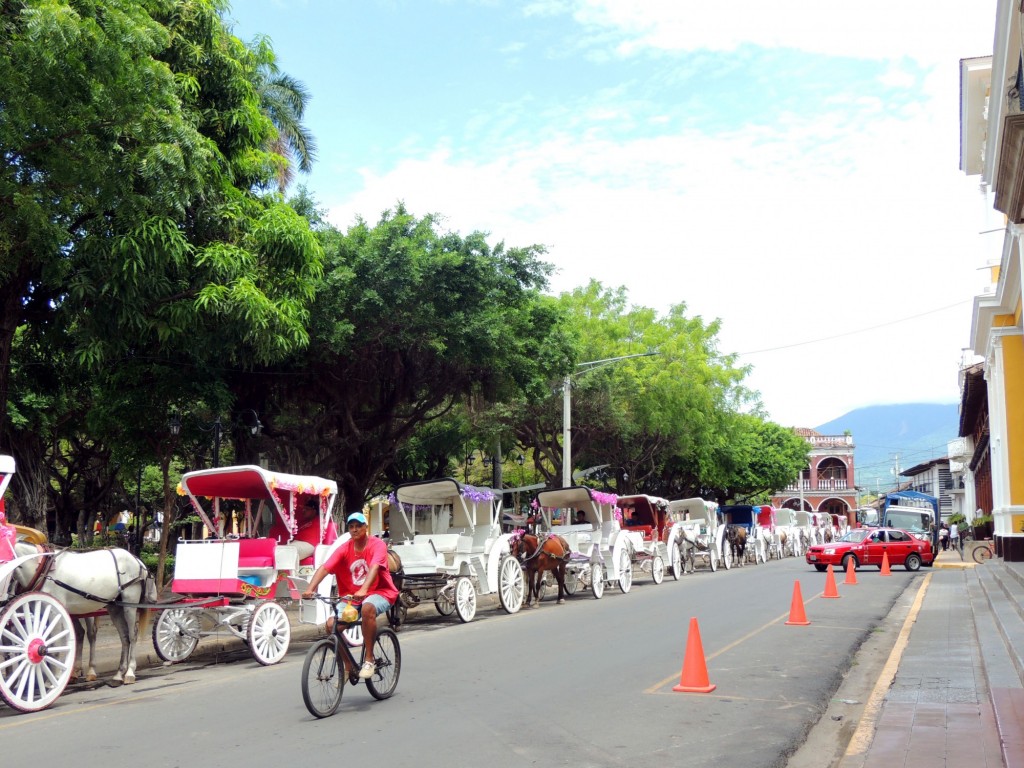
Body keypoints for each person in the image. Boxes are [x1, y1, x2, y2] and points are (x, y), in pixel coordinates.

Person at [302, 512, 398, 680]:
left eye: (358, 526)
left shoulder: (377, 545)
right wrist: (310, 588)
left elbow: (375, 567)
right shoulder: (344, 548)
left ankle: (369, 659)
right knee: (331, 625)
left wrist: (364, 590)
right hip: (352, 598)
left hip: (381, 592)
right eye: (351, 527)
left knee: (368, 607)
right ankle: (349, 665)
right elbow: (325, 567)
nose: (355, 530)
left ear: (365, 527)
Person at [268, 495, 338, 565]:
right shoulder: (302, 522)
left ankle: (287, 574)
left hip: (310, 545)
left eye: (307, 509)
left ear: (314, 511)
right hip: (297, 543)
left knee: (287, 551)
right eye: (304, 508)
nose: (303, 510)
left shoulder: (320, 520)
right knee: (277, 550)